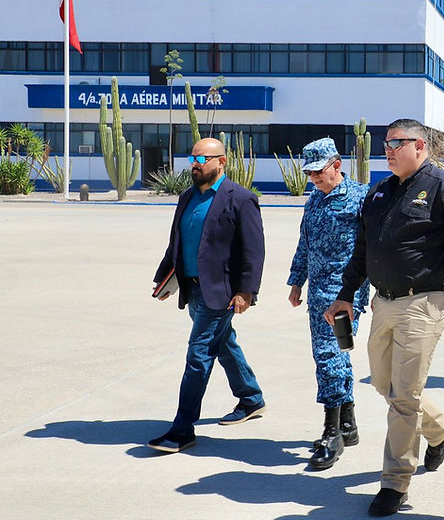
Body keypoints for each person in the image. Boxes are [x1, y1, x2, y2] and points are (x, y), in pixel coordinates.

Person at [325, 118, 444, 517]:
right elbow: (363, 248)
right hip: (384, 302)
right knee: (385, 384)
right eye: (386, 143)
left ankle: (395, 483)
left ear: (421, 146)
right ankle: (441, 426)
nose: (388, 150)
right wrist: (346, 295)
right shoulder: (379, 192)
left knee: (403, 397)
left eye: (397, 143)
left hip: (423, 303)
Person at [148, 137, 266, 453]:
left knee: (198, 354)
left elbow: (253, 251)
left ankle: (183, 428)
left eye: (203, 158)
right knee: (224, 343)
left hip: (222, 291)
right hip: (192, 287)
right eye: (194, 158)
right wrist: (164, 278)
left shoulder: (241, 199)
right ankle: (251, 398)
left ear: (221, 161)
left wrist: (246, 291)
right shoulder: (187, 197)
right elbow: (177, 242)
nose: (196, 164)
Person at [287, 138, 370, 470]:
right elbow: (304, 241)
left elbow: (374, 248)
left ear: (337, 165)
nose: (314, 179)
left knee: (328, 358)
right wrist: (296, 280)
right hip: (317, 295)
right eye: (309, 174)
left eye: (318, 172)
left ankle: (331, 433)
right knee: (336, 357)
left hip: (344, 297)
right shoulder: (314, 200)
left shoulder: (360, 198)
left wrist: (376, 289)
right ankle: (347, 426)